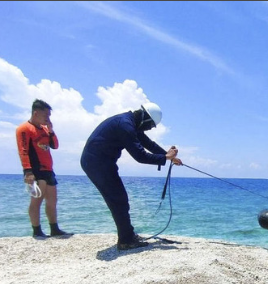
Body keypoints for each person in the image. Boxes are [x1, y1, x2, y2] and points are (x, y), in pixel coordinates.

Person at [80, 102, 182, 251]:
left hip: (101, 162)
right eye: (150, 126)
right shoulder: (125, 126)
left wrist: (169, 157)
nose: (150, 129)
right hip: (96, 163)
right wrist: (165, 158)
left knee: (119, 198)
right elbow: (140, 156)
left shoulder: (131, 123)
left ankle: (127, 235)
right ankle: (126, 241)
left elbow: (148, 143)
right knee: (118, 199)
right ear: (145, 119)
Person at [15, 99, 71, 239]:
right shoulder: (24, 129)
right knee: (36, 200)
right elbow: (23, 150)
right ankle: (37, 230)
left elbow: (55, 146)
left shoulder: (45, 129)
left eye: (49, 115)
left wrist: (51, 131)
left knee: (52, 201)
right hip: (35, 170)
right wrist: (27, 171)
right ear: (36, 113)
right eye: (46, 115)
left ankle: (54, 228)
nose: (48, 118)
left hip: (48, 170)